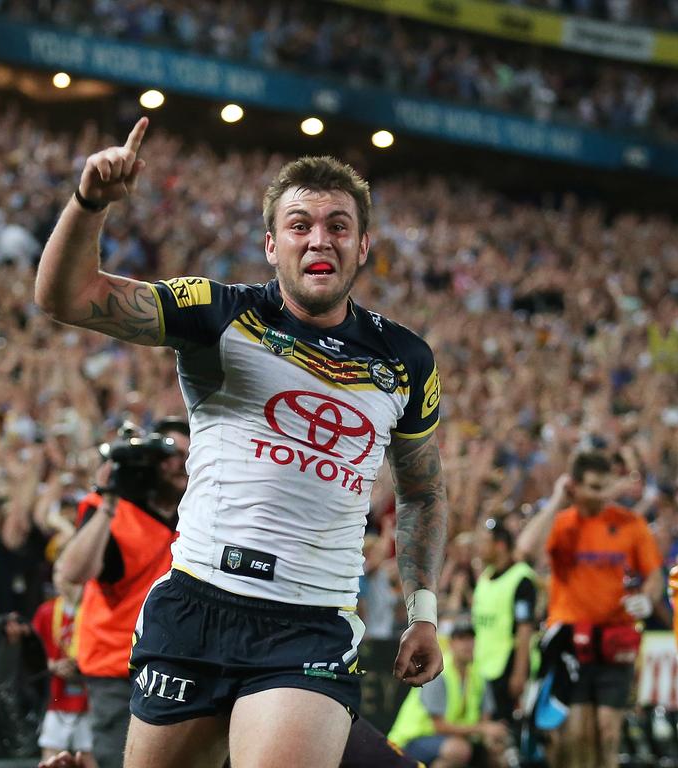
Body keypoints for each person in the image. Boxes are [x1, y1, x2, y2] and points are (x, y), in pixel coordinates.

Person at [35, 118, 448, 768]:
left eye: (338, 225)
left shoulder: (404, 360)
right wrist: (89, 204)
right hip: (196, 605)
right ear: (271, 243)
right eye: (301, 224)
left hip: (307, 623)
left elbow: (422, 490)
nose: (320, 238)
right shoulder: (219, 312)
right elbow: (69, 297)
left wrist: (423, 608)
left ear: (363, 245)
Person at [53, 419, 190, 768]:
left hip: (179, 664)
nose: (181, 464)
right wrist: (109, 499)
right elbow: (73, 572)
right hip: (117, 667)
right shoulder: (115, 510)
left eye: (190, 455)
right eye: (171, 455)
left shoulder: (195, 515)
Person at [516, 452, 662, 768]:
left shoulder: (630, 524)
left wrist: (648, 598)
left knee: (608, 731)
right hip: (571, 642)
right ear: (575, 486)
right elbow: (525, 551)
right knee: (575, 736)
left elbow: (654, 575)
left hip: (614, 642)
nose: (603, 495)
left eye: (606, 487)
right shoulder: (562, 523)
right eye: (595, 487)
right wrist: (556, 500)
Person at [387, 623, 509, 767]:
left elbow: (485, 721)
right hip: (409, 741)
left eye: (471, 639)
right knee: (458, 750)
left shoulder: (478, 676)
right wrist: (483, 729)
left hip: (451, 739)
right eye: (461, 639)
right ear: (451, 644)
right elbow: (439, 726)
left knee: (498, 751)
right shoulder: (438, 673)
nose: (467, 644)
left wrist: (491, 738)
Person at [472, 518, 536, 724]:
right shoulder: (485, 577)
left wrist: (519, 673)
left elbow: (525, 628)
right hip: (483, 666)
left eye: (484, 542)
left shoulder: (521, 579)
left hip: (506, 665)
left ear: (500, 545)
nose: (479, 548)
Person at [32, 572, 95, 768]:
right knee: (51, 754)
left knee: (89, 756)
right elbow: (31, 654)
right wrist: (51, 665)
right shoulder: (46, 611)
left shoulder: (94, 610)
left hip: (89, 699)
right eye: (59, 574)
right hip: (55, 698)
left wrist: (81, 666)